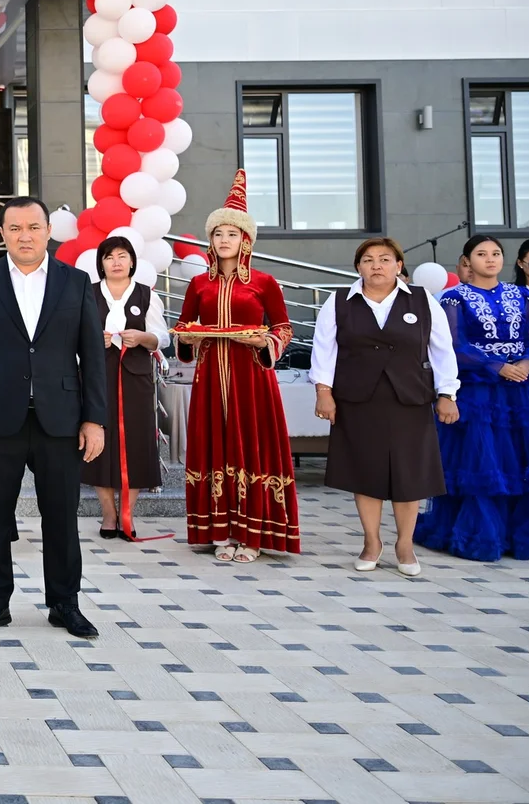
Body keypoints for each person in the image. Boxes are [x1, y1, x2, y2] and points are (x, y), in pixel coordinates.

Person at [0, 197, 107, 640]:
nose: (25, 236)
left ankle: (65, 603)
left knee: (61, 517)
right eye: (16, 228)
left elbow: (92, 355)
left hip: (61, 420)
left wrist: (94, 419)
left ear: (48, 231)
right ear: (2, 233)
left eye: (34, 227)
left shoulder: (76, 282)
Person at [310, 237, 459, 576]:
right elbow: (324, 350)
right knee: (366, 472)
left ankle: (405, 545)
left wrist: (447, 393)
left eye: (385, 259)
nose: (376, 265)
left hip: (410, 397)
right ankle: (371, 542)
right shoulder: (339, 301)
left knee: (409, 474)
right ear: (358, 267)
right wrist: (323, 391)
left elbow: (442, 349)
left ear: (398, 265)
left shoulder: (422, 299)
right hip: (358, 399)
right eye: (368, 260)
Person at [175, 171, 299, 564]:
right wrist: (189, 338)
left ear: (246, 240)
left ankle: (252, 534)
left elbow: (283, 327)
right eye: (218, 234)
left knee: (251, 448)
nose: (224, 240)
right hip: (211, 377)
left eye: (232, 233)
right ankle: (220, 531)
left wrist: (266, 342)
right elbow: (184, 326)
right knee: (214, 446)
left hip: (252, 378)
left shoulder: (264, 282)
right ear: (210, 240)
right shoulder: (199, 284)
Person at [415, 235, 529, 561]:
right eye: (481, 254)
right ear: (467, 261)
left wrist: (526, 363)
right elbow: (454, 346)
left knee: (527, 459)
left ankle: (525, 535)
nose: (490, 259)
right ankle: (484, 533)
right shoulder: (454, 299)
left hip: (524, 391)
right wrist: (497, 366)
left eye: (495, 253)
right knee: (485, 462)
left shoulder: (522, 295)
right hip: (479, 389)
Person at [82, 235, 170, 541]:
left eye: (122, 256)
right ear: (101, 264)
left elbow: (162, 337)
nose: (116, 262)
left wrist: (142, 338)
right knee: (99, 442)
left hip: (136, 379)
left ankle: (127, 514)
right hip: (97, 377)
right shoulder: (88, 293)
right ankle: (108, 514)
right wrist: (95, 340)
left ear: (132, 261)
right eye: (109, 257)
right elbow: (72, 337)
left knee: (136, 443)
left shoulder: (147, 295)